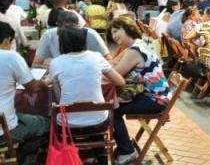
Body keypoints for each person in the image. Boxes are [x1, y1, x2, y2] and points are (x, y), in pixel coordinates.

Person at [109, 17, 171, 165]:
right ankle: (126, 146)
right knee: (114, 105)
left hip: (155, 99)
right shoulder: (137, 45)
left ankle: (127, 151)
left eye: (116, 31)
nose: (114, 36)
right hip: (155, 95)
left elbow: (114, 74)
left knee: (112, 110)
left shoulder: (134, 51)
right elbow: (113, 62)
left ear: (127, 29)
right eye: (112, 33)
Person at [49, 27, 125, 129]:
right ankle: (99, 143)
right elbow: (120, 82)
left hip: (67, 123)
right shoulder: (97, 57)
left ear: (61, 44)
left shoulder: (55, 62)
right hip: (99, 120)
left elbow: (59, 99)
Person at [0, 22, 49, 154]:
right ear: (6, 40)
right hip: (5, 132)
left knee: (22, 116)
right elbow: (32, 87)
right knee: (46, 123)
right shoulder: (10, 57)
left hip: (7, 120)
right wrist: (44, 82)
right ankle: (19, 158)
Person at [33, 11, 112, 68]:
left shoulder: (90, 34)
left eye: (72, 29)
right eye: (65, 29)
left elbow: (108, 60)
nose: (69, 33)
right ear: (58, 26)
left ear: (79, 26)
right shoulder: (49, 35)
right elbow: (36, 65)